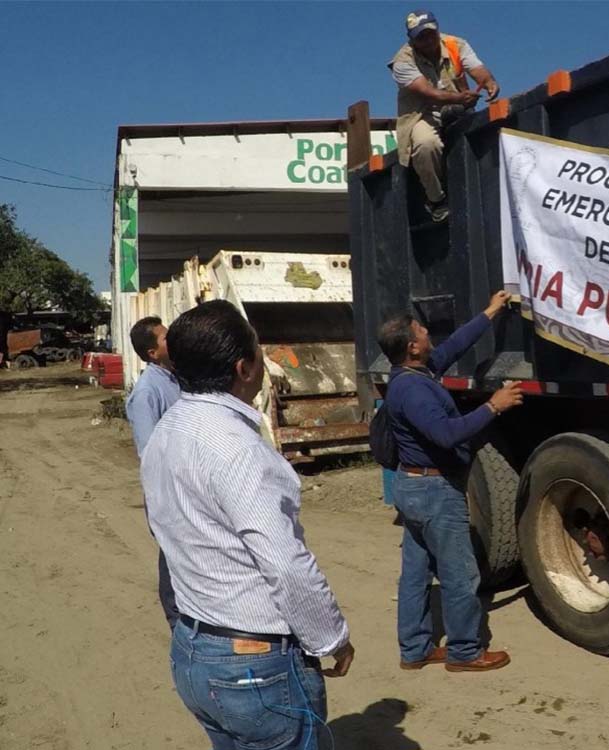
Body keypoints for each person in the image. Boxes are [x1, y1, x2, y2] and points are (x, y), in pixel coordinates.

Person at [142, 300, 354, 750]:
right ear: (244, 368)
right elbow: (286, 564)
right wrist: (332, 637)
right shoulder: (240, 449)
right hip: (254, 666)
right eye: (260, 353)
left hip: (194, 653)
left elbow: (163, 526)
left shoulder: (166, 432)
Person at [377, 290, 522, 672]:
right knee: (460, 573)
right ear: (412, 347)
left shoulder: (413, 373)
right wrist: (494, 405)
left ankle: (415, 648)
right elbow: (446, 434)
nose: (428, 333)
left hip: (414, 488)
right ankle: (465, 652)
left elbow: (454, 346)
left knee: (416, 572)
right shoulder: (413, 390)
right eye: (422, 330)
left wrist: (489, 312)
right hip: (433, 490)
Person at [389, 9, 500, 222]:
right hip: (423, 112)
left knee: (482, 132)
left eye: (430, 33)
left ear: (437, 29)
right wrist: (459, 99)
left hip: (457, 107)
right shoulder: (402, 61)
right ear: (412, 40)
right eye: (421, 36)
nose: (427, 39)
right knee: (425, 144)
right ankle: (436, 199)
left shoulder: (455, 44)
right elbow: (428, 93)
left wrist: (488, 82)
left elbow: (476, 68)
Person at [125, 316, 181, 631]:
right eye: (165, 338)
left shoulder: (179, 378)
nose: (172, 340)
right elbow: (150, 454)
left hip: (190, 486)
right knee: (172, 556)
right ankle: (176, 621)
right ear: (152, 354)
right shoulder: (146, 394)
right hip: (168, 490)